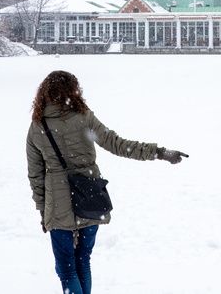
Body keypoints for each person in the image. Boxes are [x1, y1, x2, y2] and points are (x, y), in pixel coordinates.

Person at [26, 70, 187, 294]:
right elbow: (118, 144)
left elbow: (35, 175)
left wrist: (43, 210)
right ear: (73, 91)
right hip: (90, 197)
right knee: (83, 260)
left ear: (44, 93)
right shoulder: (83, 118)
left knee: (67, 269)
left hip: (58, 203)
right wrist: (158, 152)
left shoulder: (37, 127)